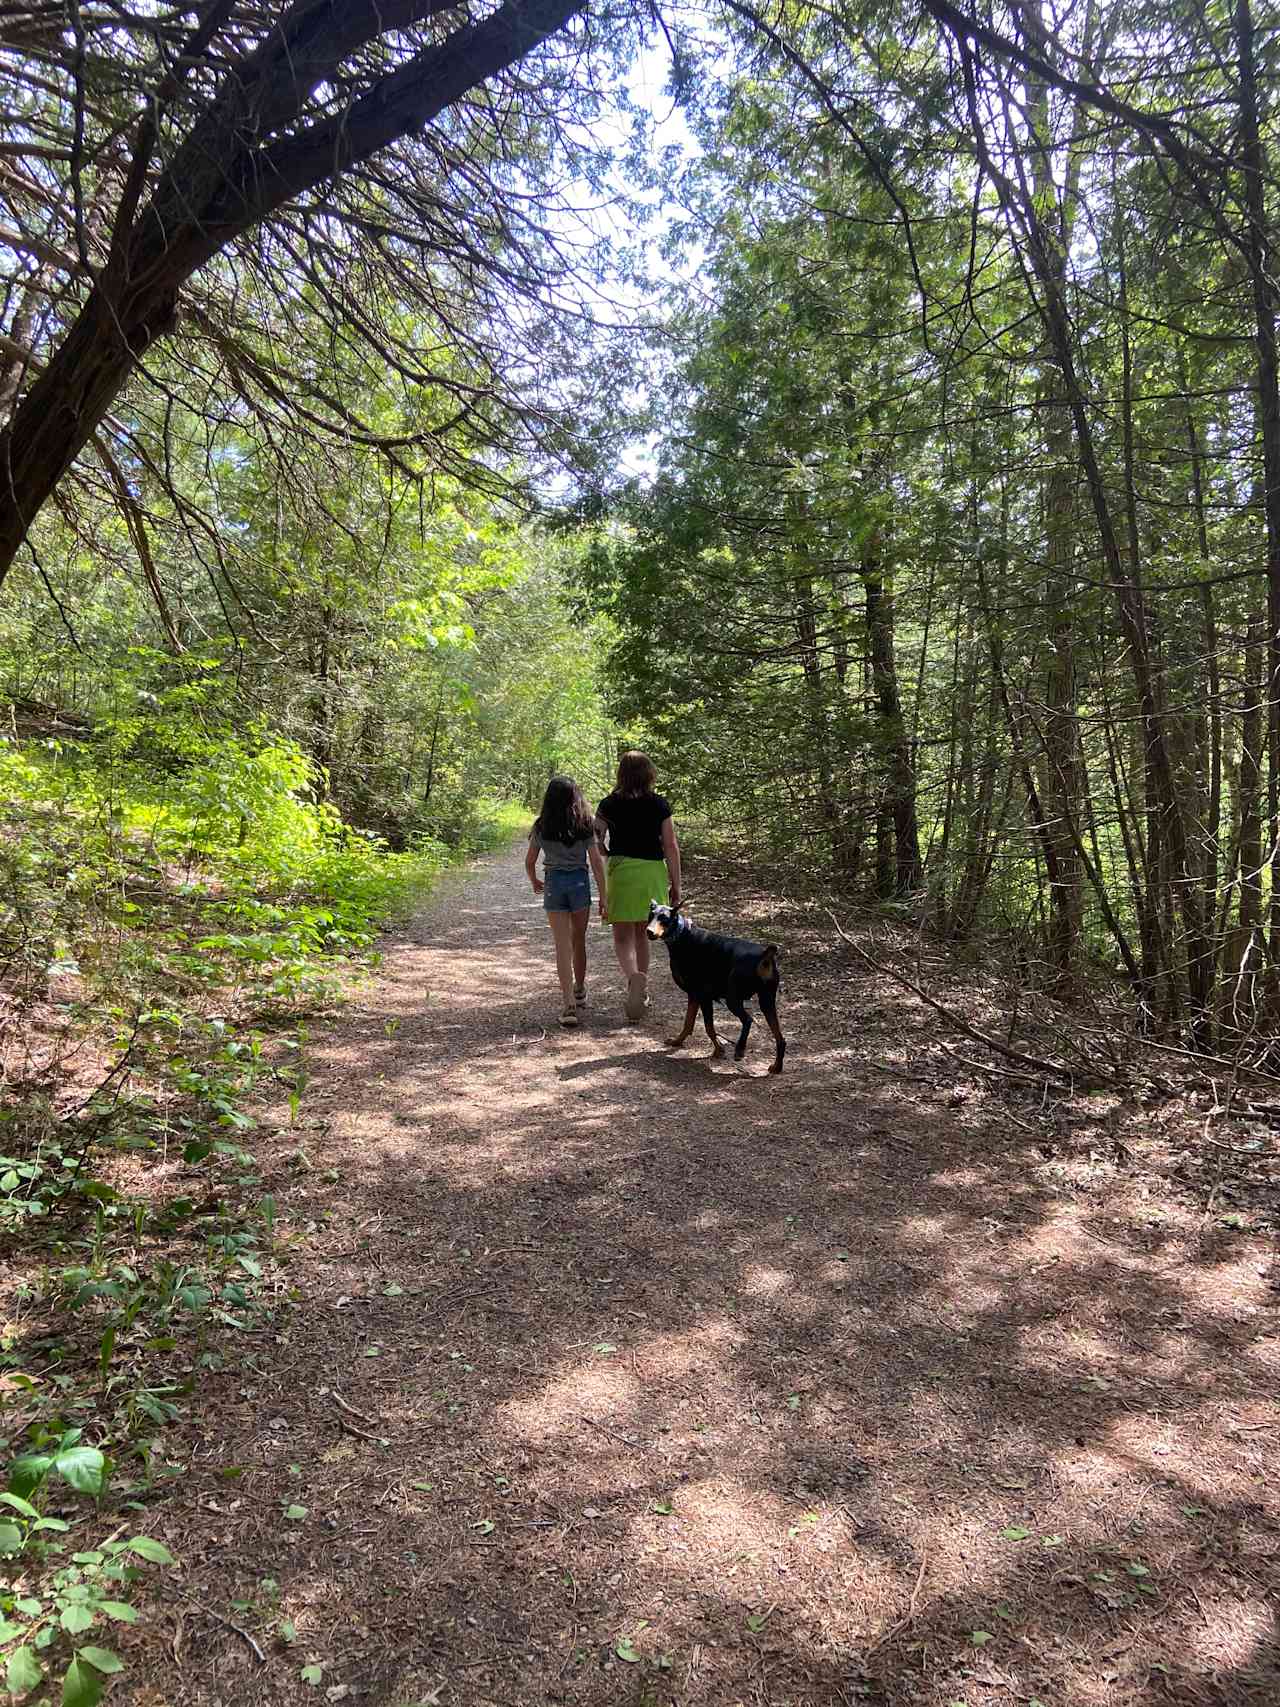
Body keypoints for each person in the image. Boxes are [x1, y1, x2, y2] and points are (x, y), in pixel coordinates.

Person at [595, 750, 682, 1022]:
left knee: (622, 936)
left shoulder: (608, 804)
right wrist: (676, 885)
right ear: (649, 774)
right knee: (645, 933)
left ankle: (633, 978)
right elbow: (670, 846)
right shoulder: (659, 804)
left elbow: (594, 835)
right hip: (652, 872)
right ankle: (642, 988)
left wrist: (604, 849)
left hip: (622, 871)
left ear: (621, 774)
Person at [526, 776, 608, 1028]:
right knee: (578, 939)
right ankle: (580, 989)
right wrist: (604, 895)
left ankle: (568, 1004)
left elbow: (529, 860)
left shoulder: (541, 826)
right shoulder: (584, 824)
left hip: (554, 884)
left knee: (561, 946)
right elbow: (595, 862)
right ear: (575, 797)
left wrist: (535, 881)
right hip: (579, 884)